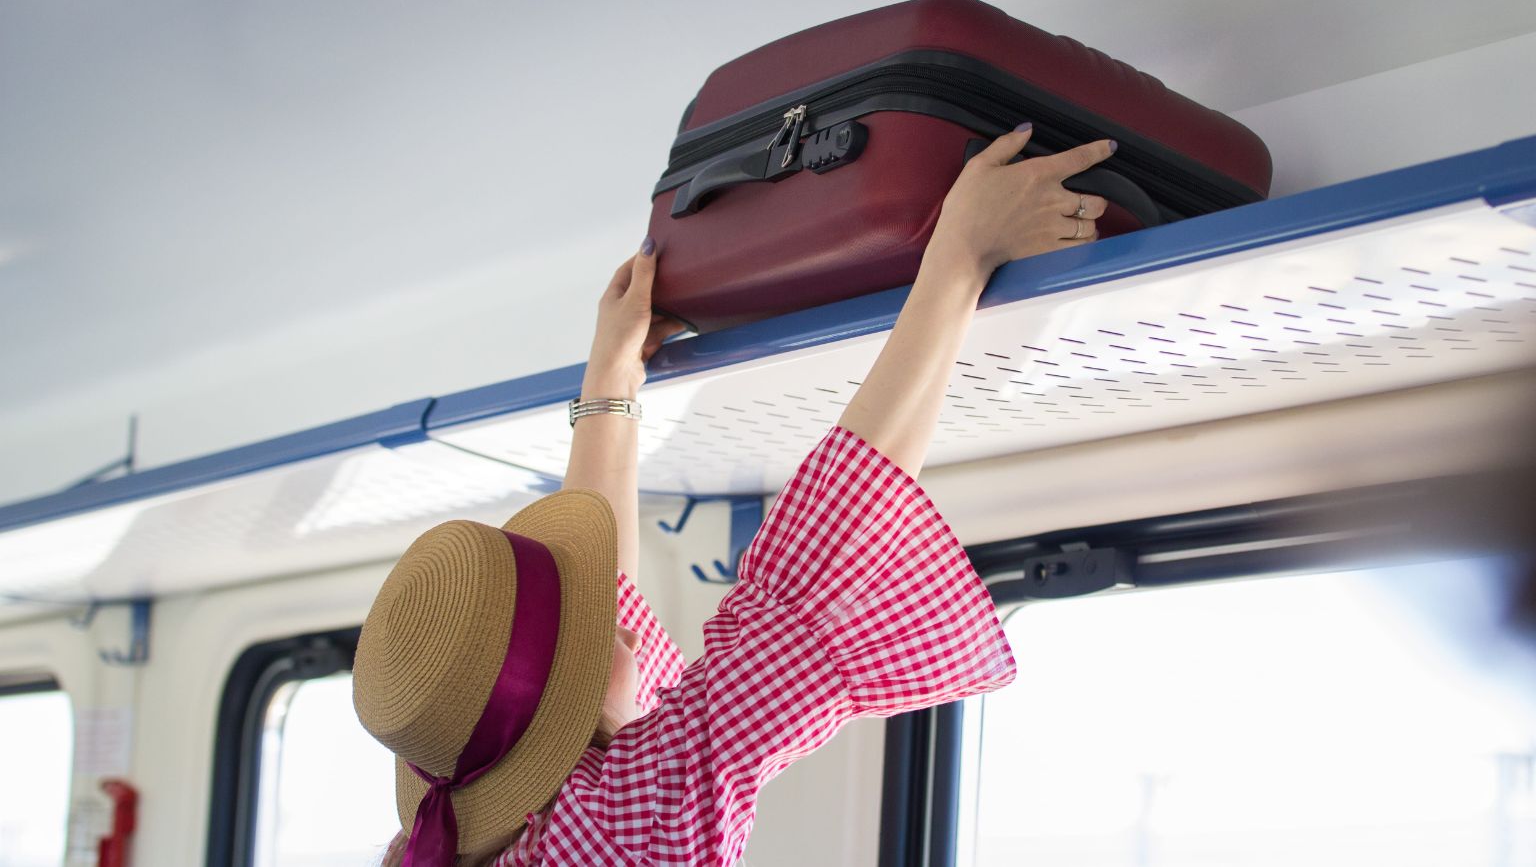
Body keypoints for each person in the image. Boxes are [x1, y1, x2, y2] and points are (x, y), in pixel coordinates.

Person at [355, 124, 1115, 866]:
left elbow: (609, 595)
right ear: (565, 708)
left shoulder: (497, 841)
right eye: (593, 640)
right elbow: (817, 583)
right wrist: (961, 255)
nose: (618, 626)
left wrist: (610, 385)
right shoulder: (620, 841)